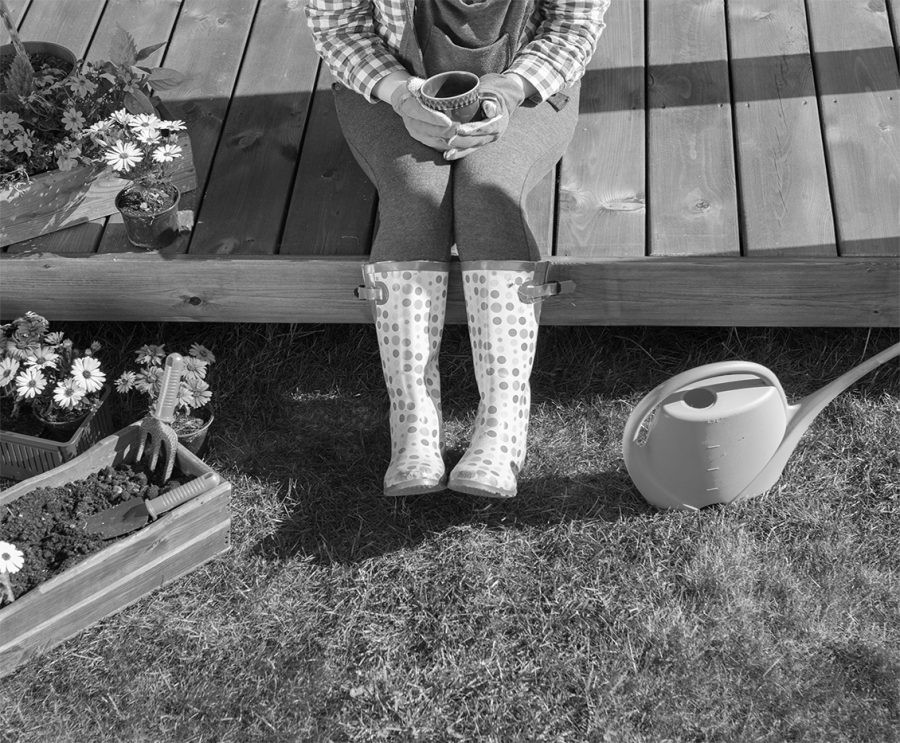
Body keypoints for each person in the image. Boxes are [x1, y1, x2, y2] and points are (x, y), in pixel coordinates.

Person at [305, 0, 610, 498]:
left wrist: (511, 89)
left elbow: (572, 25)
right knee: (416, 196)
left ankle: (502, 430)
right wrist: (401, 94)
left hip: (528, 85)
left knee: (488, 191)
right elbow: (340, 28)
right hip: (386, 86)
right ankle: (414, 429)